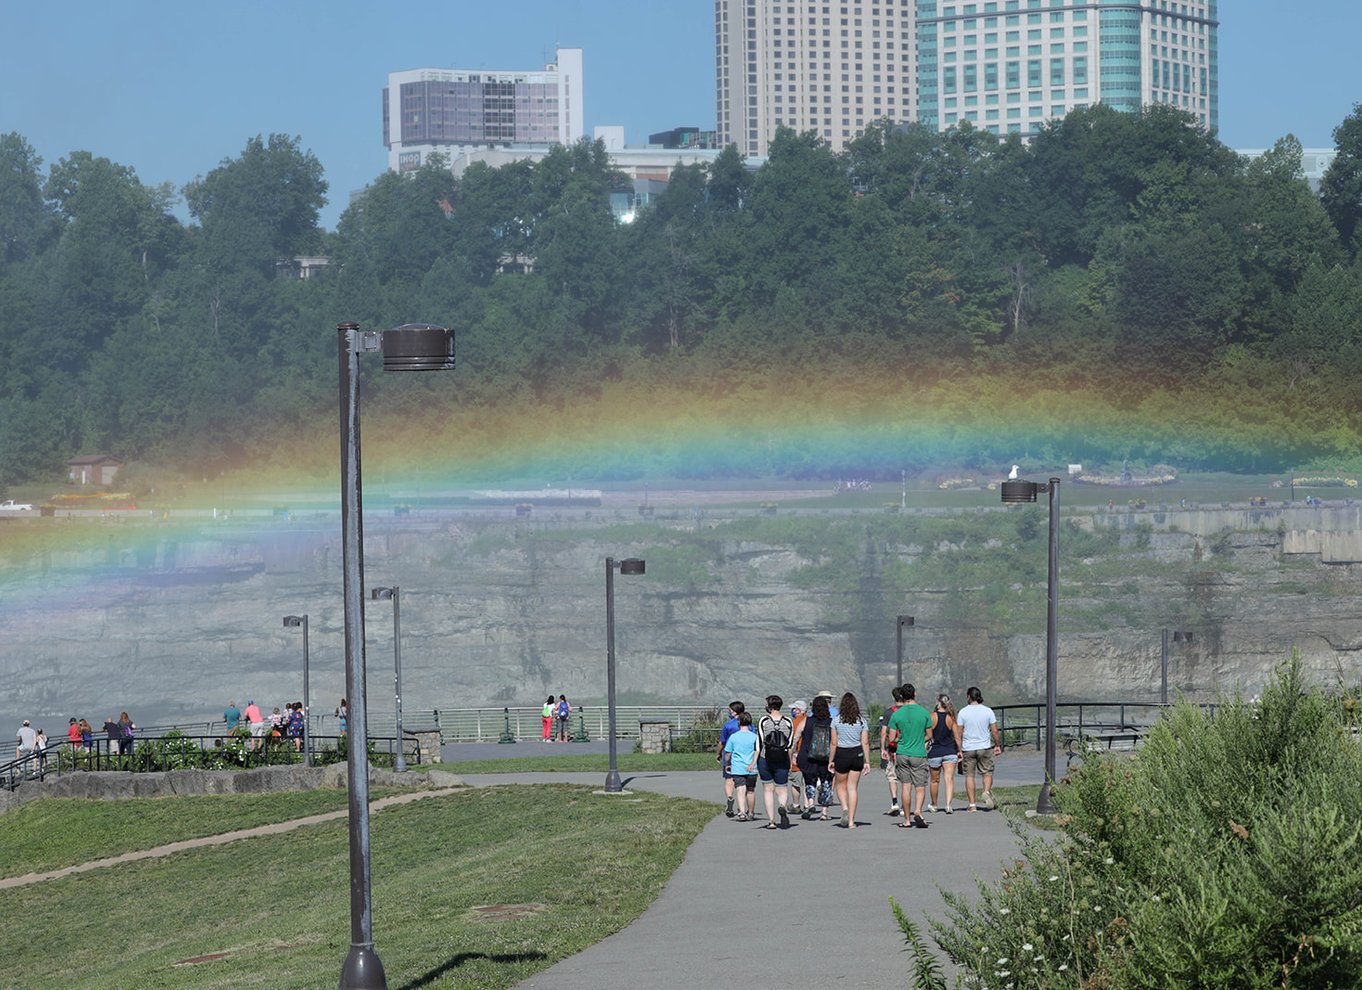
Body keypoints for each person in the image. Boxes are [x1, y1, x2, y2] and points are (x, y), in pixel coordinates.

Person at [887, 683, 933, 829]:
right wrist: (920, 739)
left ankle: (907, 819)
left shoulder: (897, 714)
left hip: (902, 753)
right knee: (920, 786)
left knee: (906, 787)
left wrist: (900, 740)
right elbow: (929, 735)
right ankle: (918, 811)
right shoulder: (924, 712)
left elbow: (891, 738)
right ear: (914, 694)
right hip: (918, 753)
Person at [957, 686, 1003, 811]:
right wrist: (997, 745)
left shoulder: (962, 712)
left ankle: (972, 805)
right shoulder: (988, 711)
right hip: (984, 747)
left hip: (969, 748)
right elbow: (994, 730)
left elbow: (959, 733)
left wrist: (959, 749)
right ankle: (986, 792)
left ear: (968, 696)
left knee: (969, 776)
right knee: (987, 772)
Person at [831, 692, 871, 828]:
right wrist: (867, 761)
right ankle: (852, 821)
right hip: (856, 753)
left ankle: (845, 808)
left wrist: (831, 760)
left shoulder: (836, 720)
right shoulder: (862, 721)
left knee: (840, 786)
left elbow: (833, 743)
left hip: (842, 752)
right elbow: (865, 742)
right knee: (852, 788)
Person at [794, 695, 835, 820]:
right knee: (826, 782)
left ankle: (810, 803)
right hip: (826, 757)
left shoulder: (806, 721)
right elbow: (835, 741)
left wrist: (794, 752)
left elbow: (795, 738)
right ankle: (824, 812)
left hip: (808, 756)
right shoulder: (832, 722)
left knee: (809, 780)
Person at [756, 695, 794, 829]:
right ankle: (782, 806)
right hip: (782, 759)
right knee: (782, 788)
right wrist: (790, 761)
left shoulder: (764, 721)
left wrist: (754, 761)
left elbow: (759, 742)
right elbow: (790, 744)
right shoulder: (788, 721)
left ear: (770, 706)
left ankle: (771, 821)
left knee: (768, 789)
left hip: (766, 758)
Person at [927, 693, 962, 813]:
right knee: (949, 779)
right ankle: (948, 805)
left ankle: (934, 804)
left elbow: (928, 735)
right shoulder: (951, 718)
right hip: (949, 751)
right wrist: (960, 750)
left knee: (934, 780)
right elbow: (957, 737)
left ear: (938, 703)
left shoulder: (931, 716)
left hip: (935, 751)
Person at [722, 711, 759, 821]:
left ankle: (742, 812)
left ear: (738, 722)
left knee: (740, 790)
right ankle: (751, 812)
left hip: (738, 767)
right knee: (751, 790)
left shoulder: (734, 737)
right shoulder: (754, 737)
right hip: (752, 767)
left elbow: (728, 753)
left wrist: (727, 764)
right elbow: (758, 750)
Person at [716, 701, 745, 817]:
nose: (729, 713)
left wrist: (718, 753)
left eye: (730, 711)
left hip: (730, 756)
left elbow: (722, 742)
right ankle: (742, 806)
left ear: (735, 711)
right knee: (742, 783)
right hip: (744, 756)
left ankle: (729, 797)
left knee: (729, 780)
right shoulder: (748, 725)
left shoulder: (728, 725)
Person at [879, 686, 905, 816]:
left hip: (893, 749)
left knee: (892, 776)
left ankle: (894, 802)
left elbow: (884, 733)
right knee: (906, 778)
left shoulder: (889, 712)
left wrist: (883, 748)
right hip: (906, 747)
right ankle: (906, 804)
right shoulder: (908, 711)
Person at [787, 699, 808, 813]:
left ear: (799, 710)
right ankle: (807, 805)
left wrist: (791, 756)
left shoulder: (795, 723)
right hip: (809, 756)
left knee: (796, 782)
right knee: (807, 782)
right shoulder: (810, 721)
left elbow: (793, 741)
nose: (792, 711)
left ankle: (796, 805)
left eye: (794, 709)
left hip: (797, 755)